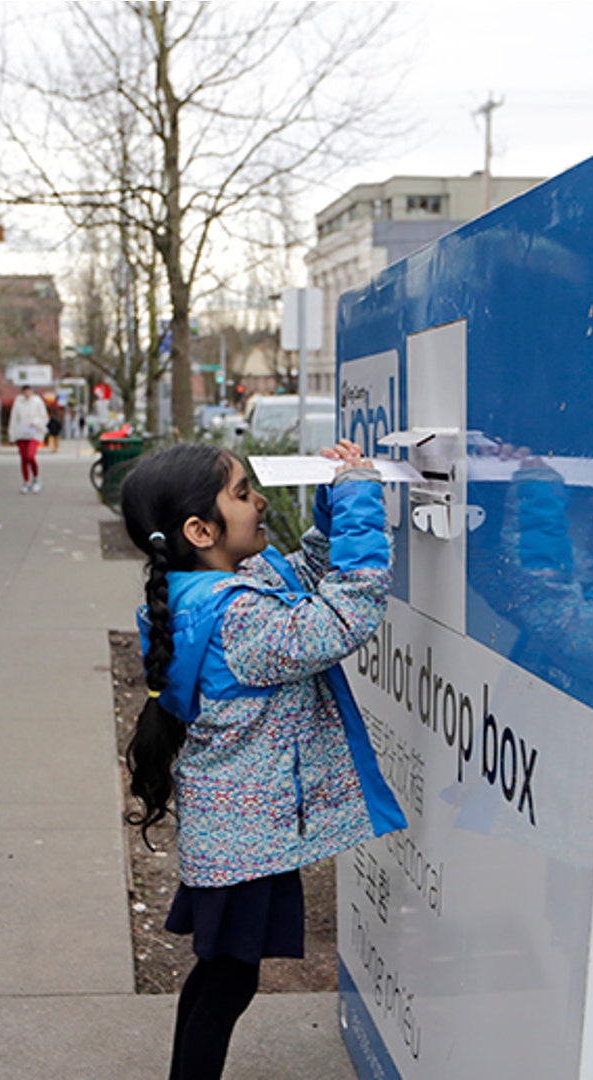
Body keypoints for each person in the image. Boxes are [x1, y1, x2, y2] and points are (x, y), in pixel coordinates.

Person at [120, 440, 405, 1080]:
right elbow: (344, 614)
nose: (259, 502)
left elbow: (300, 579)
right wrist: (364, 502)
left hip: (237, 836)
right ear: (201, 529)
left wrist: (334, 504)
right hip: (244, 843)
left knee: (221, 975)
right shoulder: (238, 620)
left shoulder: (215, 593)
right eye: (243, 494)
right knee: (228, 982)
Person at [9, 384, 50, 493]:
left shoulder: (37, 401)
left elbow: (44, 417)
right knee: (23, 458)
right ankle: (26, 481)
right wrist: (12, 434)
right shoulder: (18, 402)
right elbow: (14, 418)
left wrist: (36, 423)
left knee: (30, 455)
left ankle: (36, 478)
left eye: (29, 391)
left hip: (34, 433)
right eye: (25, 391)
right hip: (21, 433)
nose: (27, 393)